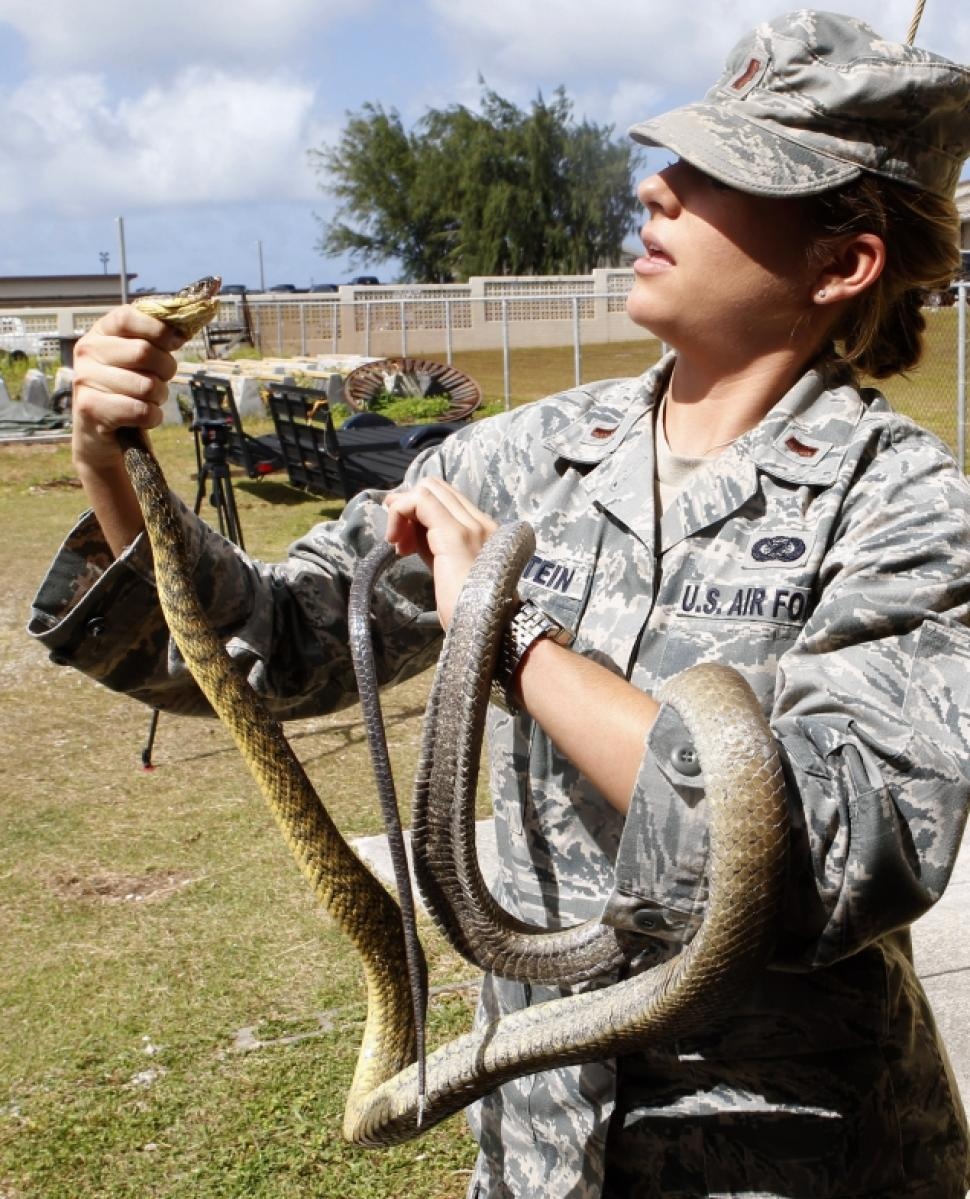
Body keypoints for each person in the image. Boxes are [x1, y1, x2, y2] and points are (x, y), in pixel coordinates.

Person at [27, 10, 970, 1197]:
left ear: (843, 263)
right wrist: (115, 467)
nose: (654, 189)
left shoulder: (908, 511)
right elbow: (274, 646)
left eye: (719, 173)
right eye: (671, 156)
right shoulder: (525, 456)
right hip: (534, 1150)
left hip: (788, 1155)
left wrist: (509, 633)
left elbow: (827, 852)